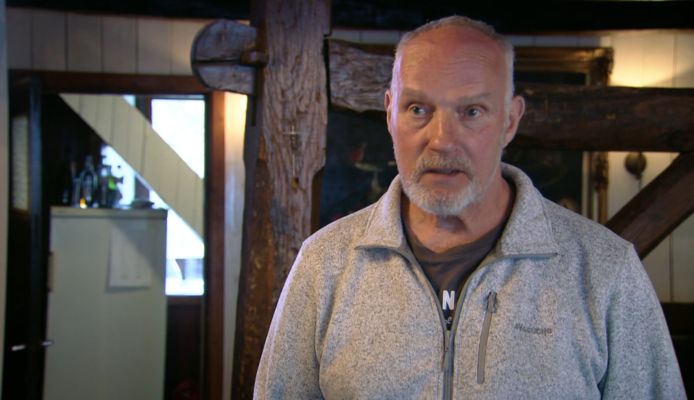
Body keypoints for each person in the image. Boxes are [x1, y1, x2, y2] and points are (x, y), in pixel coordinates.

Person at [254, 15, 686, 399]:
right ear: (389, 114)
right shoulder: (323, 264)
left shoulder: (607, 271)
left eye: (472, 111)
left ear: (510, 121)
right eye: (417, 109)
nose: (442, 139)